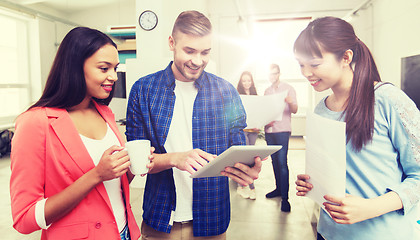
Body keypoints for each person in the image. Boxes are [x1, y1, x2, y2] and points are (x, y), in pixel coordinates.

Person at [126, 10, 263, 240]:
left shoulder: (225, 91)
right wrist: (174, 159)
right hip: (161, 219)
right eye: (189, 51)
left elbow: (237, 143)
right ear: (172, 43)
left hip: (212, 219)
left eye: (205, 52)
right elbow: (137, 163)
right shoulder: (144, 91)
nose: (198, 61)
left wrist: (249, 165)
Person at [294, 16, 420, 240]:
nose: (305, 73)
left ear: (346, 57)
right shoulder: (321, 109)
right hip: (328, 233)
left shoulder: (388, 100)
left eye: (314, 64)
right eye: (301, 65)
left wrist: (372, 207)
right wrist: (312, 183)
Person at [10, 27, 142, 240]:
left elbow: (111, 187)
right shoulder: (35, 123)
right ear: (74, 67)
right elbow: (24, 218)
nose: (114, 77)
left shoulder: (105, 112)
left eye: (115, 68)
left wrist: (132, 166)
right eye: (104, 68)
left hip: (123, 233)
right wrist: (96, 175)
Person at [264, 63, 298, 212]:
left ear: (279, 73)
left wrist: (290, 103)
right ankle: (278, 189)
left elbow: (295, 110)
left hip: (283, 130)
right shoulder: (267, 91)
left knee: (282, 162)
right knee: (274, 162)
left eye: (275, 73)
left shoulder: (288, 89)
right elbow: (265, 110)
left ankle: (285, 198)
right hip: (269, 131)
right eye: (270, 74)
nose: (273, 76)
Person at [236, 71, 259, 200]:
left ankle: (243, 185)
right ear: (241, 82)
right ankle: (248, 187)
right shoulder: (238, 95)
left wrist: (258, 124)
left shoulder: (256, 95)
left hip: (254, 130)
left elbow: (259, 112)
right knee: (246, 158)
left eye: (248, 80)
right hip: (243, 130)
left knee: (252, 158)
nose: (246, 83)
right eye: (244, 80)